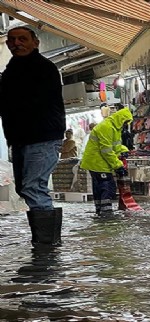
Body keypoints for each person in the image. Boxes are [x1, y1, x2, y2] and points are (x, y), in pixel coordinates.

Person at [0, 26, 65, 246]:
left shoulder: (43, 68)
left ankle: (46, 246)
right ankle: (46, 243)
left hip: (42, 137)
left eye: (22, 39)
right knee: (25, 188)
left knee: (33, 187)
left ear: (35, 42)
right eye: (12, 40)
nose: (16, 43)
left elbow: (24, 101)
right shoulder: (13, 68)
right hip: (21, 139)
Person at [80, 108, 133, 216]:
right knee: (107, 186)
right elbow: (106, 151)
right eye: (125, 122)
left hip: (98, 162)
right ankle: (106, 212)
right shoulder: (107, 127)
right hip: (97, 162)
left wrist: (124, 151)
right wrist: (118, 165)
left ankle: (100, 210)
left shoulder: (114, 128)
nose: (125, 124)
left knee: (99, 187)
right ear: (121, 119)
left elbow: (115, 146)